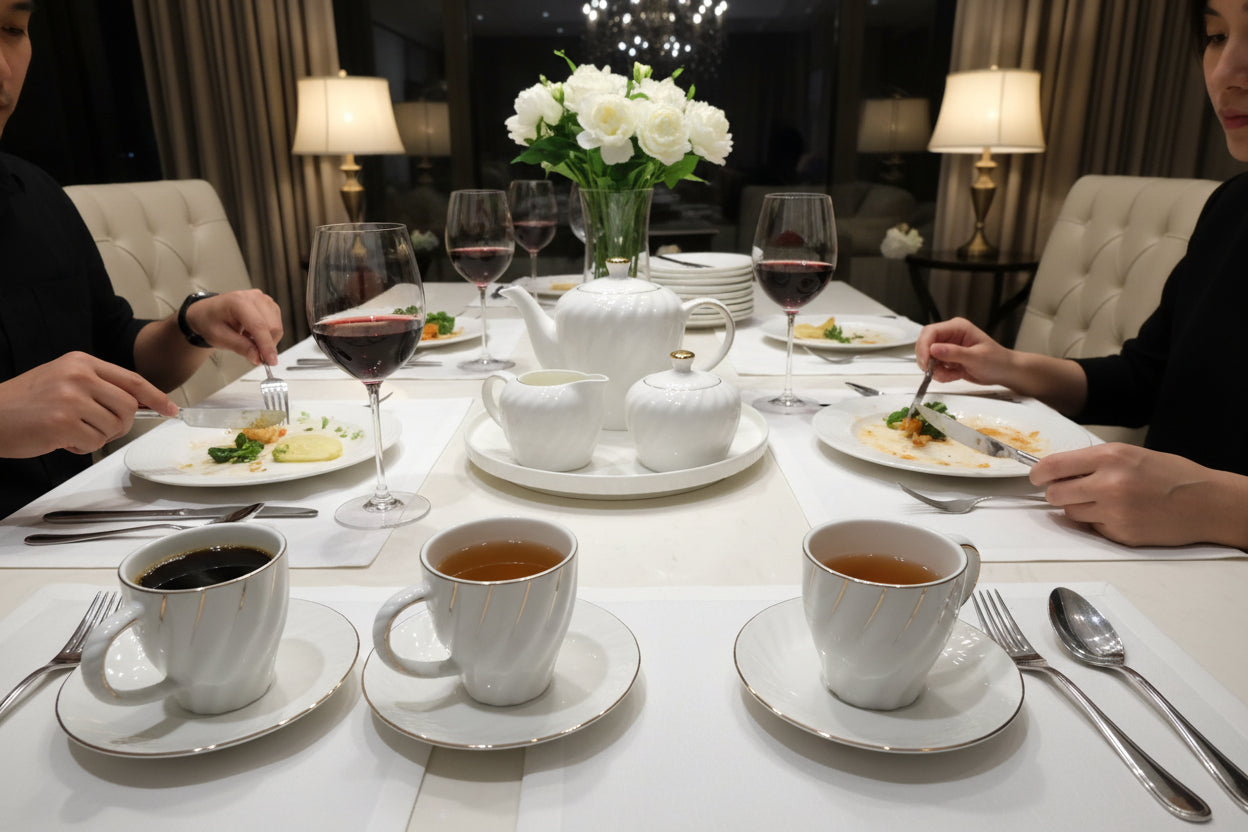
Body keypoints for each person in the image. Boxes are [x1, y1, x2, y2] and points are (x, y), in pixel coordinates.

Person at [915, 0, 1248, 549]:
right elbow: (1143, 382)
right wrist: (1006, 364)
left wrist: (1212, 507)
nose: (1225, 72)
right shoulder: (1233, 209)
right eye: (1215, 36)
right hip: (1151, 564)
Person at [0, 0, 283, 516]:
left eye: (11, 30)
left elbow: (118, 354)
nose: (1, 67)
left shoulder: (37, 194)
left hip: (72, 529)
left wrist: (193, 324)